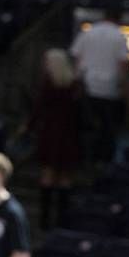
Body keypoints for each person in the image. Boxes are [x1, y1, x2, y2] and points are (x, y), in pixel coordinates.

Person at [26, 48, 83, 229]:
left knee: (49, 174)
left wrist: (29, 127)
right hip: (69, 133)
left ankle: (45, 220)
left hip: (52, 133)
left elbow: (38, 108)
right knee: (65, 176)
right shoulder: (75, 84)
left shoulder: (49, 84)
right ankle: (61, 219)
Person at [71, 6, 129, 165]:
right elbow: (123, 64)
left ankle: (82, 158)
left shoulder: (88, 32)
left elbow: (76, 58)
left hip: (86, 86)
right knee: (106, 129)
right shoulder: (119, 36)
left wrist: (76, 82)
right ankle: (100, 161)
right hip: (109, 90)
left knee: (84, 127)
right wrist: (125, 87)